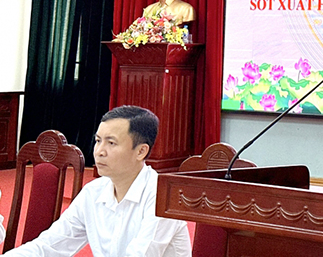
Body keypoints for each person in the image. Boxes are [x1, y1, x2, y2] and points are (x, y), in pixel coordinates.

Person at [5, 106, 191, 256]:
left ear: (141, 151)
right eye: (98, 141)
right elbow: (49, 246)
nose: (99, 151)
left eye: (111, 143)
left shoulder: (163, 197)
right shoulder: (93, 192)